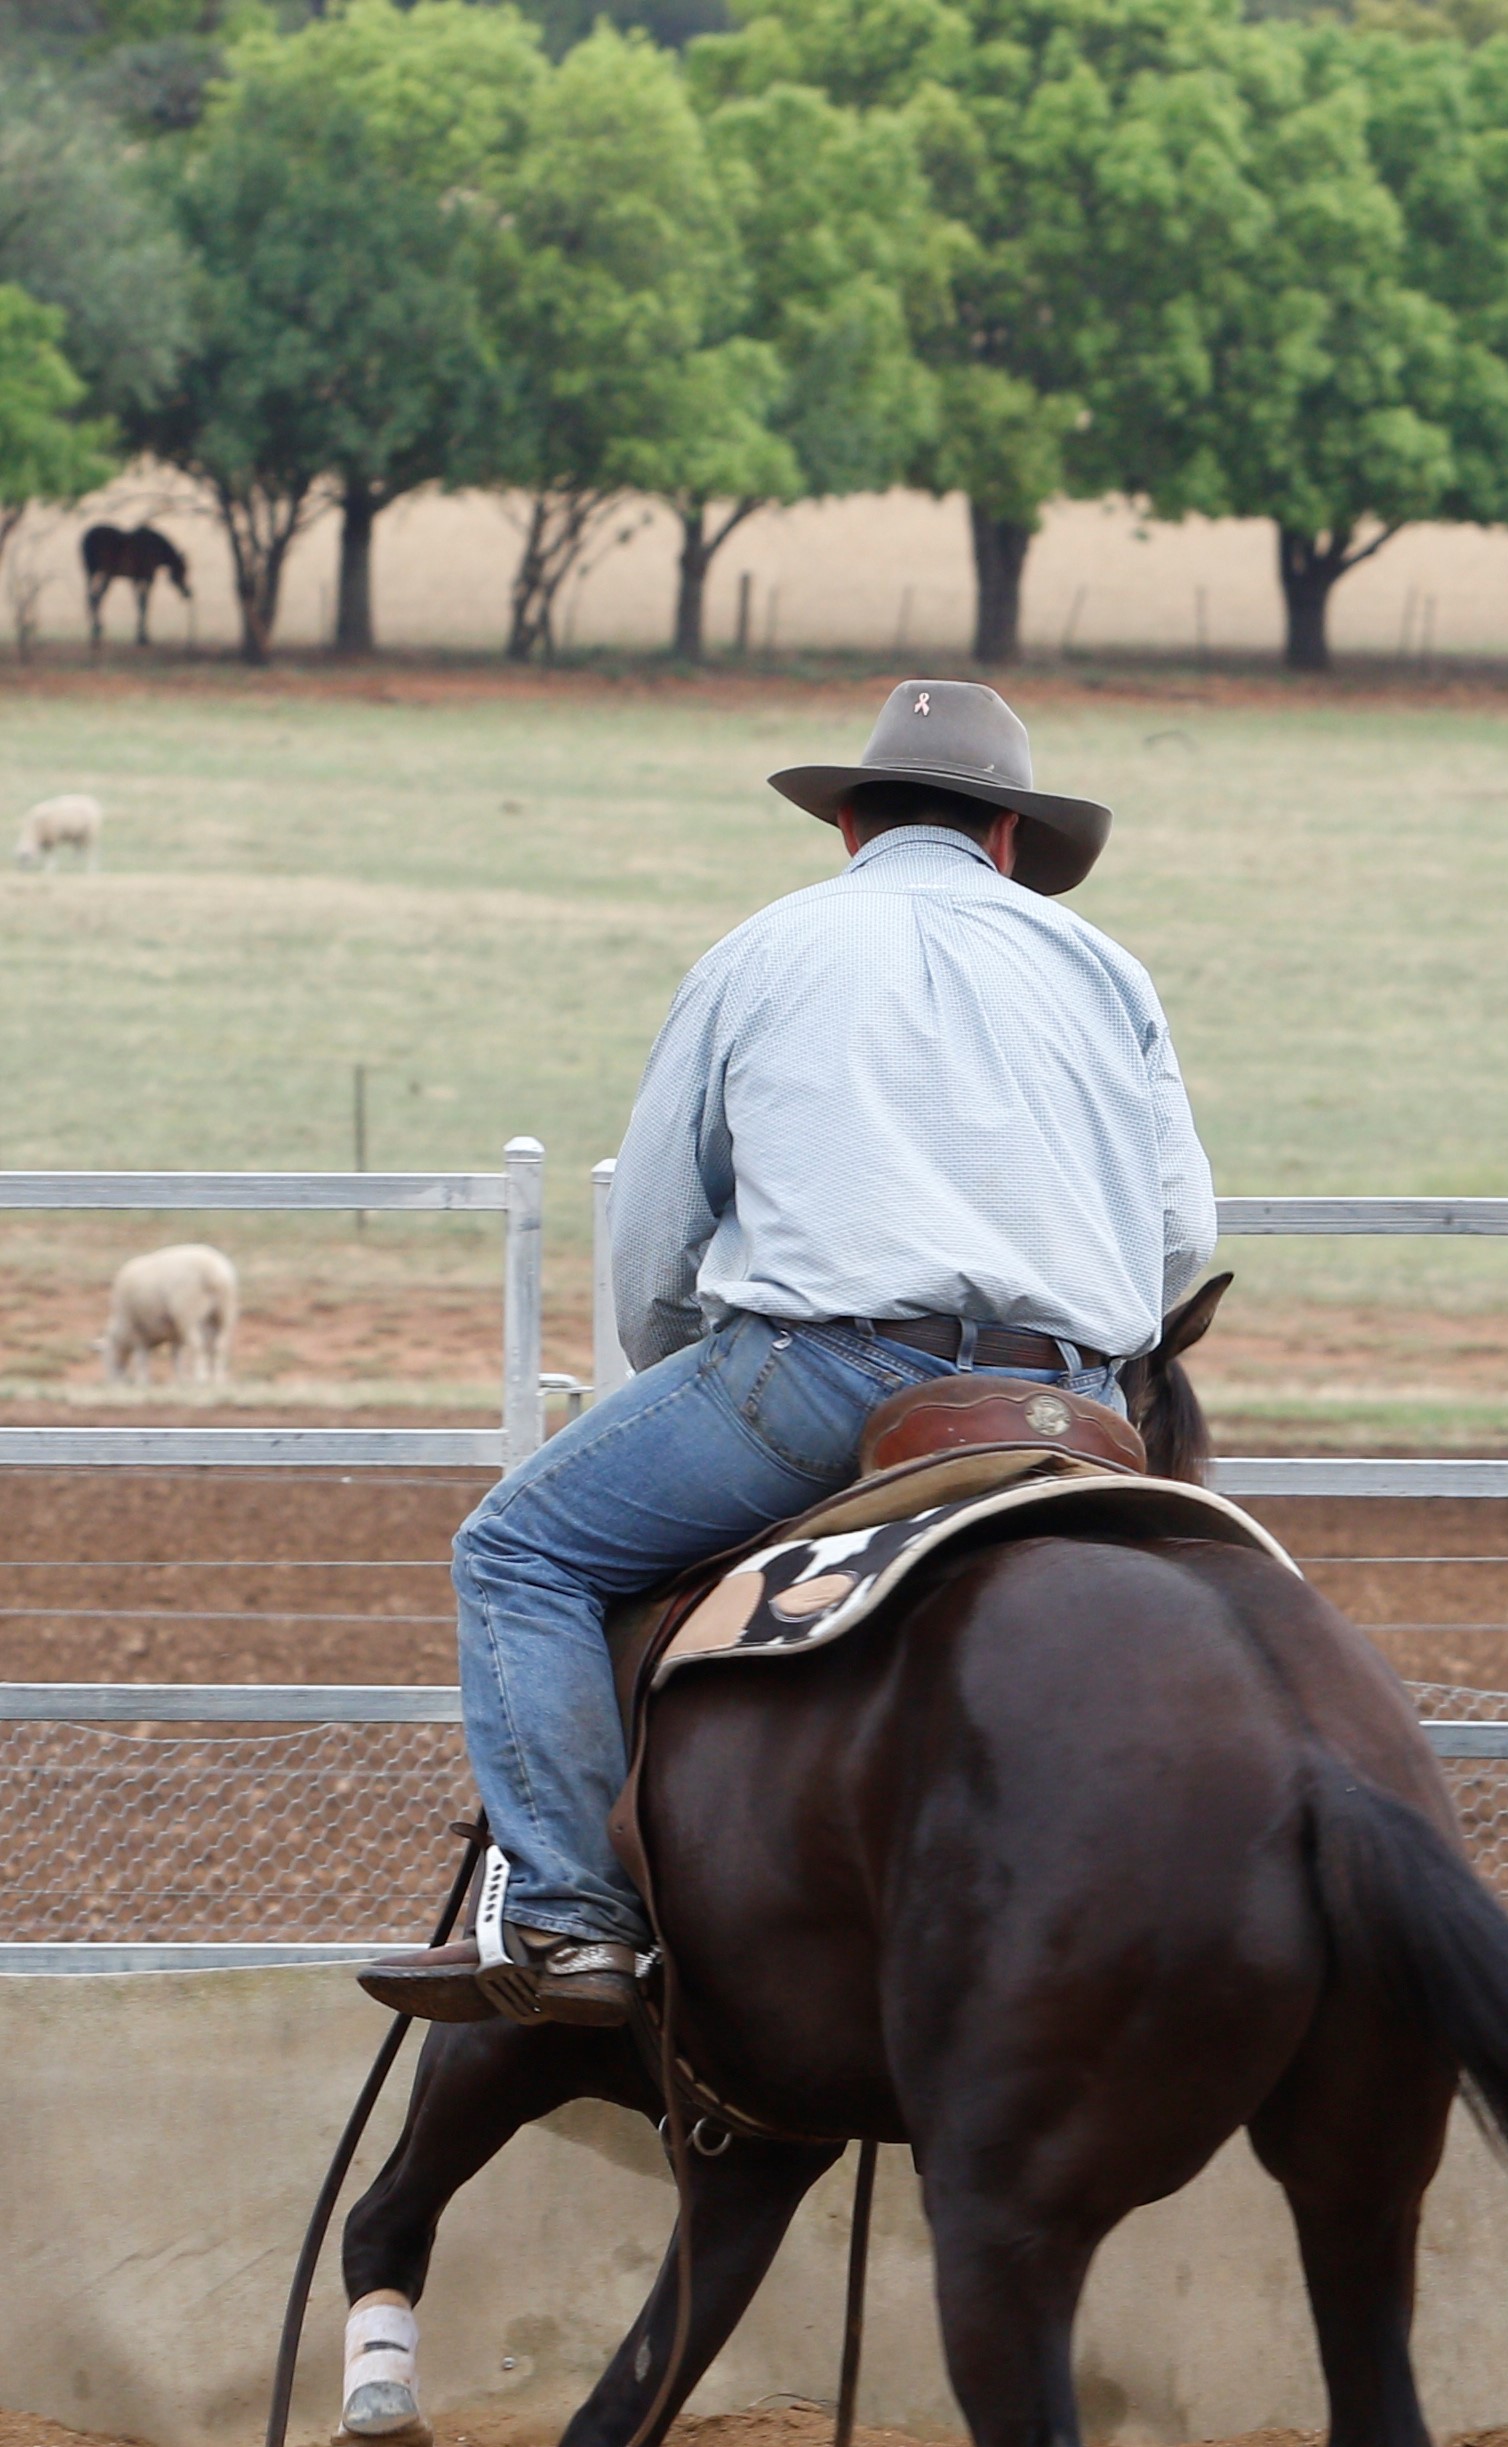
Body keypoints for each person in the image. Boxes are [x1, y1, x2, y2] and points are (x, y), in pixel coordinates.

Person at [361, 679, 1217, 2028]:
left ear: (850, 825)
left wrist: (680, 1365)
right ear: (1007, 838)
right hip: (1067, 1406)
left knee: (518, 1552)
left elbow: (658, 1229)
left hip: (829, 1383)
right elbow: (1179, 1239)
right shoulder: (1108, 972)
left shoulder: (761, 952)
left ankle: (574, 1918)